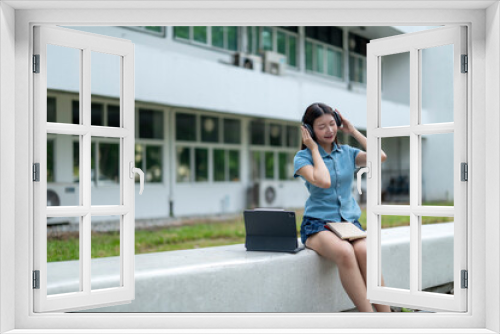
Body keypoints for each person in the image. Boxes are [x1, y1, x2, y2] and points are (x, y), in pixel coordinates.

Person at [294, 102, 391, 312]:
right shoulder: (302, 158)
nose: (329, 130)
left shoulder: (347, 152)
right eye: (321, 126)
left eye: (332, 124)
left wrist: (353, 131)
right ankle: (370, 321)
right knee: (345, 252)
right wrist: (313, 148)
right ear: (309, 131)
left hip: (348, 223)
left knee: (366, 251)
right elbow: (323, 180)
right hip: (319, 225)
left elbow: (380, 157)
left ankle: (388, 318)